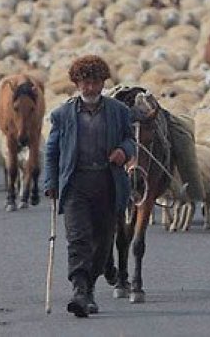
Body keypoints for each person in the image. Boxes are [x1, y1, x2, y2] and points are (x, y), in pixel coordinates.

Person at [44, 55, 135, 319]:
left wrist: (123, 151)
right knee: (78, 240)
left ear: (103, 83)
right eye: (85, 83)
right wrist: (51, 182)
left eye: (95, 82)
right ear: (76, 83)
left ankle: (90, 286)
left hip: (107, 183)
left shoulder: (119, 112)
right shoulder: (63, 115)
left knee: (104, 244)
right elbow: (52, 151)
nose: (90, 88)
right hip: (76, 185)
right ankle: (80, 291)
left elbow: (130, 139)